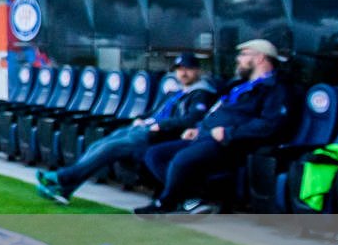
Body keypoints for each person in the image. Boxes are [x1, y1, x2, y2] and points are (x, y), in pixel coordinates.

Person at [136, 39, 291, 214]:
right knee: (154, 155)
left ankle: (165, 205)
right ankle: (191, 199)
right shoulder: (238, 85)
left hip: (232, 143)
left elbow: (269, 125)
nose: (238, 59)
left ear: (261, 58)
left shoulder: (275, 89)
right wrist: (198, 128)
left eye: (243, 54)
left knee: (182, 159)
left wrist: (229, 132)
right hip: (206, 135)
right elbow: (216, 112)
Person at [35, 54, 216, 202]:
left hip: (159, 136)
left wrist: (159, 125)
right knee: (99, 145)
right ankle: (65, 189)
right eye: (179, 69)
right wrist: (141, 119)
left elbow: (193, 118)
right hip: (143, 129)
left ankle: (63, 178)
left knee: (109, 148)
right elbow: (153, 112)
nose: (183, 73)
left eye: (188, 69)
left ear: (197, 70)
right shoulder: (175, 92)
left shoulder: (201, 93)